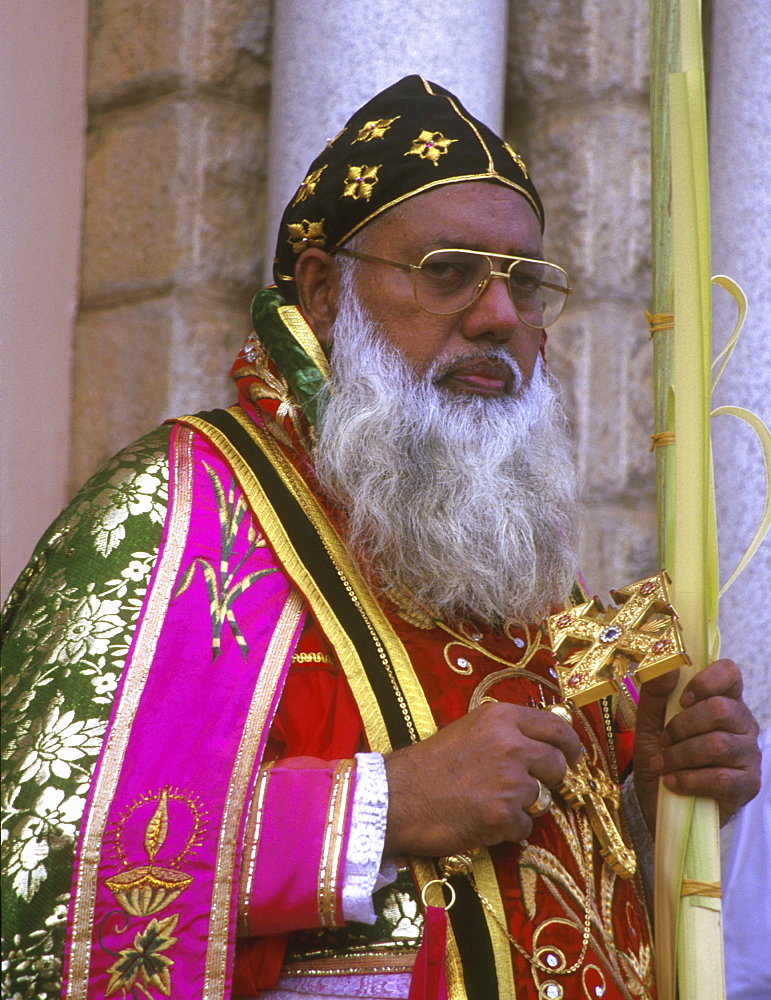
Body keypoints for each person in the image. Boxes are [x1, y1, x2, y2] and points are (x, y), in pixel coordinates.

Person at [1, 76, 761, 1000]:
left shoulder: (522, 561)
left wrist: (663, 795)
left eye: (524, 282)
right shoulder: (176, 511)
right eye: (446, 270)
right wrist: (380, 807)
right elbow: (42, 864)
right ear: (322, 290)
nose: (497, 316)